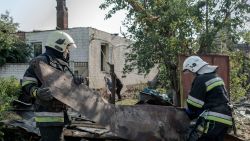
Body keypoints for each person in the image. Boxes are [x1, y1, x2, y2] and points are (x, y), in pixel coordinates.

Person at [21, 30, 84, 141]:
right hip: (47, 116)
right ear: (60, 46)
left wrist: (76, 82)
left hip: (60, 114)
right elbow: (27, 82)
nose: (68, 51)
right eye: (67, 48)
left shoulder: (62, 64)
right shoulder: (41, 61)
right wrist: (37, 92)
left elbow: (65, 88)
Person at [182, 56, 232, 141]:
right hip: (226, 119)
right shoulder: (215, 76)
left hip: (214, 119)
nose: (192, 74)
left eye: (190, 71)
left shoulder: (201, 79)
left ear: (193, 67)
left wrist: (187, 110)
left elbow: (193, 105)